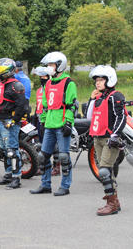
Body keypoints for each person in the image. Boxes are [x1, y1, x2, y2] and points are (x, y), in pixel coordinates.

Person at [29, 51, 77, 196]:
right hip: (49, 124)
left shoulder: (69, 83)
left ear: (59, 66)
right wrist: (42, 122)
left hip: (62, 125)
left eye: (51, 65)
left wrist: (69, 122)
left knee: (63, 157)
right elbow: (44, 105)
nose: (49, 67)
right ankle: (45, 185)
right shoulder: (48, 83)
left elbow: (72, 105)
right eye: (48, 65)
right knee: (43, 156)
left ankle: (65, 186)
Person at [87, 65, 126, 216]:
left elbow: (121, 117)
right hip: (98, 139)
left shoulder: (116, 96)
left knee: (103, 171)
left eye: (101, 80)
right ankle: (114, 201)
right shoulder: (99, 97)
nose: (98, 83)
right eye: (96, 80)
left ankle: (112, 204)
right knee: (107, 173)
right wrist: (92, 99)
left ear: (109, 80)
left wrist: (115, 135)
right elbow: (89, 117)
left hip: (110, 139)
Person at [0, 58, 28, 190]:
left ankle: (16, 177)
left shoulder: (15, 85)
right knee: (4, 150)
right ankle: (8, 174)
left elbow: (22, 106)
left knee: (12, 151)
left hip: (9, 122)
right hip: (0, 122)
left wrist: (14, 121)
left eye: (1, 71)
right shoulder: (2, 84)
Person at [33, 66, 60, 176]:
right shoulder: (39, 90)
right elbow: (38, 105)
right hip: (40, 119)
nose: (42, 78)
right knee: (42, 145)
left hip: (49, 119)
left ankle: (57, 167)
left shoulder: (51, 89)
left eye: (44, 76)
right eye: (40, 77)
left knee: (53, 145)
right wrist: (34, 117)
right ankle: (43, 167)